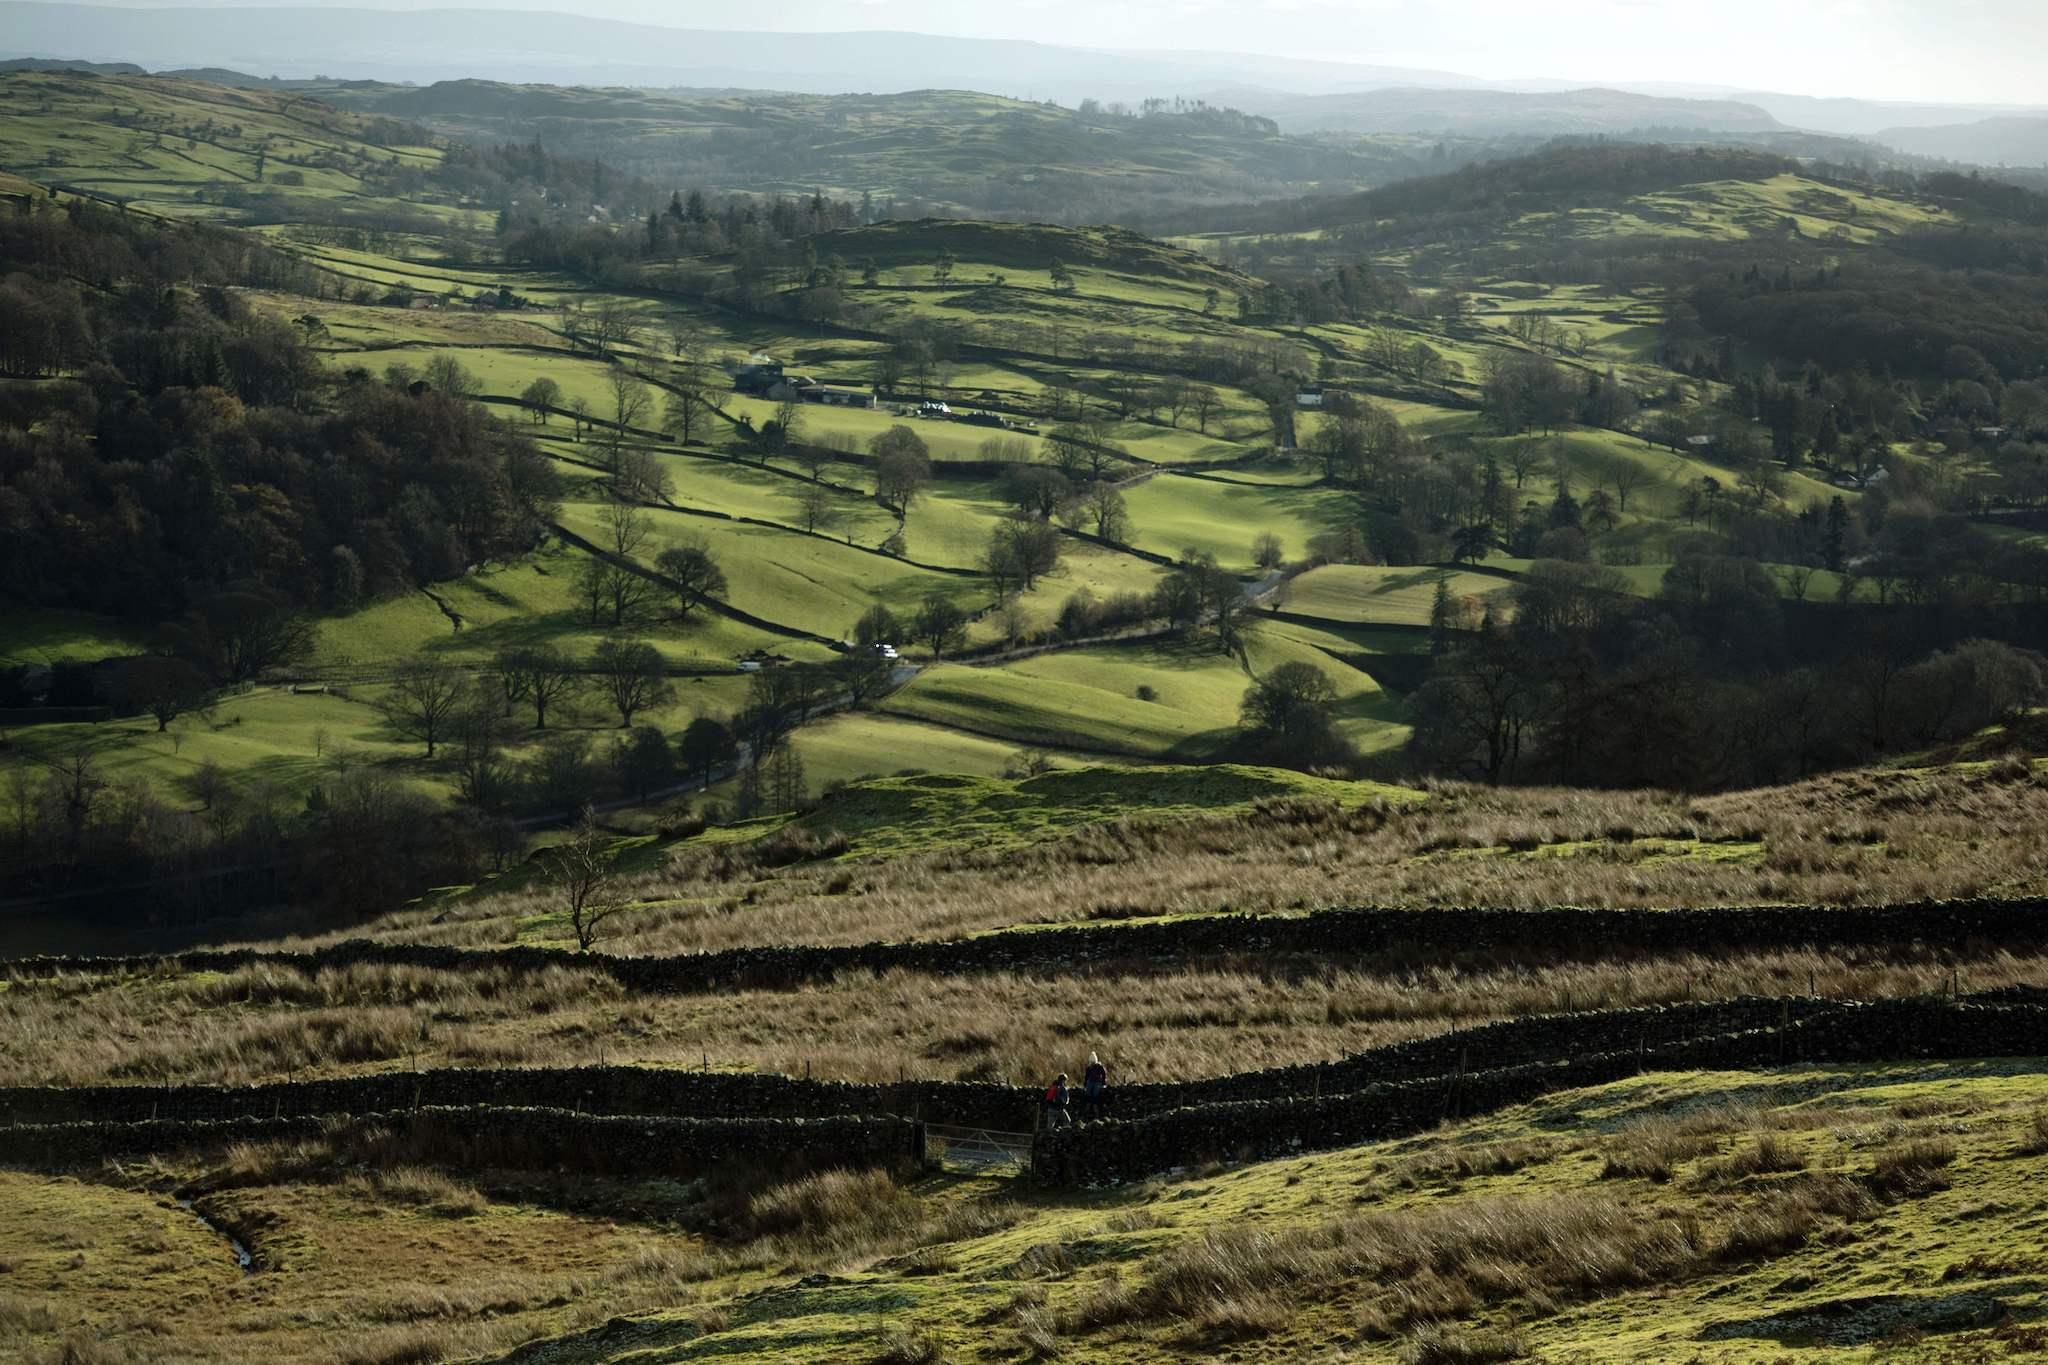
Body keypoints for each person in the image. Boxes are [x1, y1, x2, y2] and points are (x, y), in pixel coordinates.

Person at [1082, 1052, 1108, 1121]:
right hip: (1094, 1083)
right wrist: (1103, 1082)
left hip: (1095, 1083)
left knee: (1092, 1097)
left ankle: (1090, 1113)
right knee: (1092, 1097)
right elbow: (1087, 1077)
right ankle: (1092, 1113)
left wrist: (1103, 1082)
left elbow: (1104, 1074)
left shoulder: (1096, 1067)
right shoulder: (1097, 1067)